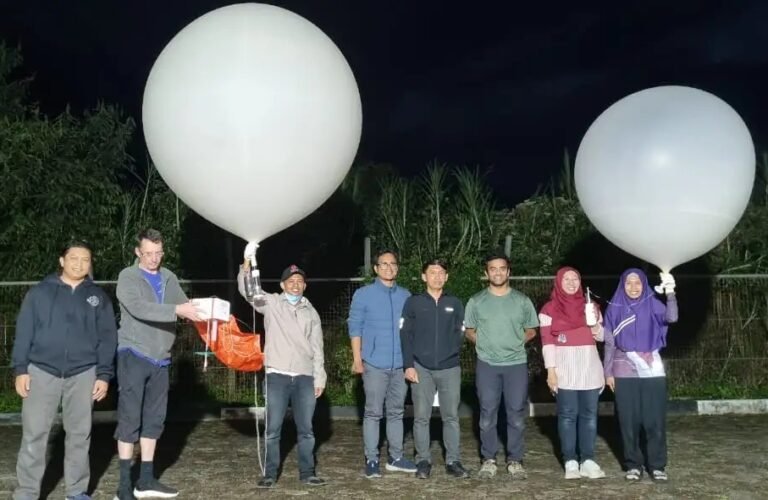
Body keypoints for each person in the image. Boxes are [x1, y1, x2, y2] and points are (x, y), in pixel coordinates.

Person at [11, 240, 117, 500]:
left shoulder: (98, 298)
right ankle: (26, 492)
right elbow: (24, 332)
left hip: (83, 373)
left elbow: (108, 338)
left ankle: (77, 491)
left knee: (80, 435)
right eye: (74, 258)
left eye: (85, 259)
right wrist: (20, 369)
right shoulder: (40, 293)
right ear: (62, 260)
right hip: (41, 372)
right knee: (35, 434)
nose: (79, 264)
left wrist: (104, 375)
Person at [114, 229, 202, 500]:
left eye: (158, 253)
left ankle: (146, 480)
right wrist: (177, 310)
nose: (154, 259)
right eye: (148, 254)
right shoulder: (127, 277)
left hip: (161, 357)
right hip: (133, 353)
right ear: (137, 252)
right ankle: (124, 485)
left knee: (154, 420)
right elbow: (139, 308)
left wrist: (202, 309)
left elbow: (183, 304)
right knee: (130, 419)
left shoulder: (168, 277)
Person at [238, 262, 327, 489]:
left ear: (305, 285)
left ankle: (308, 473)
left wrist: (319, 377)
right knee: (273, 429)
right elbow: (249, 293)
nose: (295, 285)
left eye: (299, 282)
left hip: (305, 376)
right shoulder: (272, 303)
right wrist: (245, 270)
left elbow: (317, 347)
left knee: (306, 430)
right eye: (291, 281)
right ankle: (270, 474)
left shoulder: (311, 312)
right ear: (282, 285)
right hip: (277, 375)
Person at [464, 253, 539, 480]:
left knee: (516, 414)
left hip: (515, 364)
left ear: (508, 271)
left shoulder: (522, 301)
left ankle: (515, 460)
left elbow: (532, 329)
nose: (497, 272)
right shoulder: (476, 301)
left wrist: (516, 342)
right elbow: (469, 331)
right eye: (492, 268)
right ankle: (488, 459)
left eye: (502, 268)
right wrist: (485, 344)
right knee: (487, 414)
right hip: (487, 364)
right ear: (486, 273)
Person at [603, 268, 677, 482]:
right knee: (628, 421)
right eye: (629, 283)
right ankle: (633, 464)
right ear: (622, 284)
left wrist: (670, 292)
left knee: (654, 420)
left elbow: (672, 317)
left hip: (652, 369)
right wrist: (607, 372)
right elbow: (609, 343)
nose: (633, 287)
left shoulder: (652, 303)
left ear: (644, 284)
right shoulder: (614, 307)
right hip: (624, 369)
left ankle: (657, 465)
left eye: (637, 283)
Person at [348, 249, 417, 478]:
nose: (389, 267)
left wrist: (411, 362)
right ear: (376, 268)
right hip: (374, 364)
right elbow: (355, 327)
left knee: (397, 412)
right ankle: (371, 459)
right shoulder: (363, 294)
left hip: (399, 365)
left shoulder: (406, 295)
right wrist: (358, 359)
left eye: (393, 264)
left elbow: (410, 331)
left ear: (397, 267)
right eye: (384, 264)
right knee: (373, 413)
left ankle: (396, 458)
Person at [400, 258, 468, 479]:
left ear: (446, 277)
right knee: (421, 417)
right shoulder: (413, 302)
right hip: (421, 368)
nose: (437, 276)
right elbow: (405, 335)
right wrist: (409, 365)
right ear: (424, 276)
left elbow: (461, 332)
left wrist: (451, 352)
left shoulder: (455, 303)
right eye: (432, 272)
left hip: (450, 368)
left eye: (441, 273)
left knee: (451, 417)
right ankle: (423, 461)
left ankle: (453, 461)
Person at [539, 266, 606, 480]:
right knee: (567, 416)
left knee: (589, 416)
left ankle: (588, 459)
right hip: (564, 367)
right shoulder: (548, 309)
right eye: (566, 279)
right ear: (558, 282)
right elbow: (547, 342)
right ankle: (570, 461)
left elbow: (602, 337)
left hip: (589, 366)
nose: (571, 282)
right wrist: (551, 371)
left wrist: (594, 323)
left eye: (575, 278)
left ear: (580, 282)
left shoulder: (592, 306)